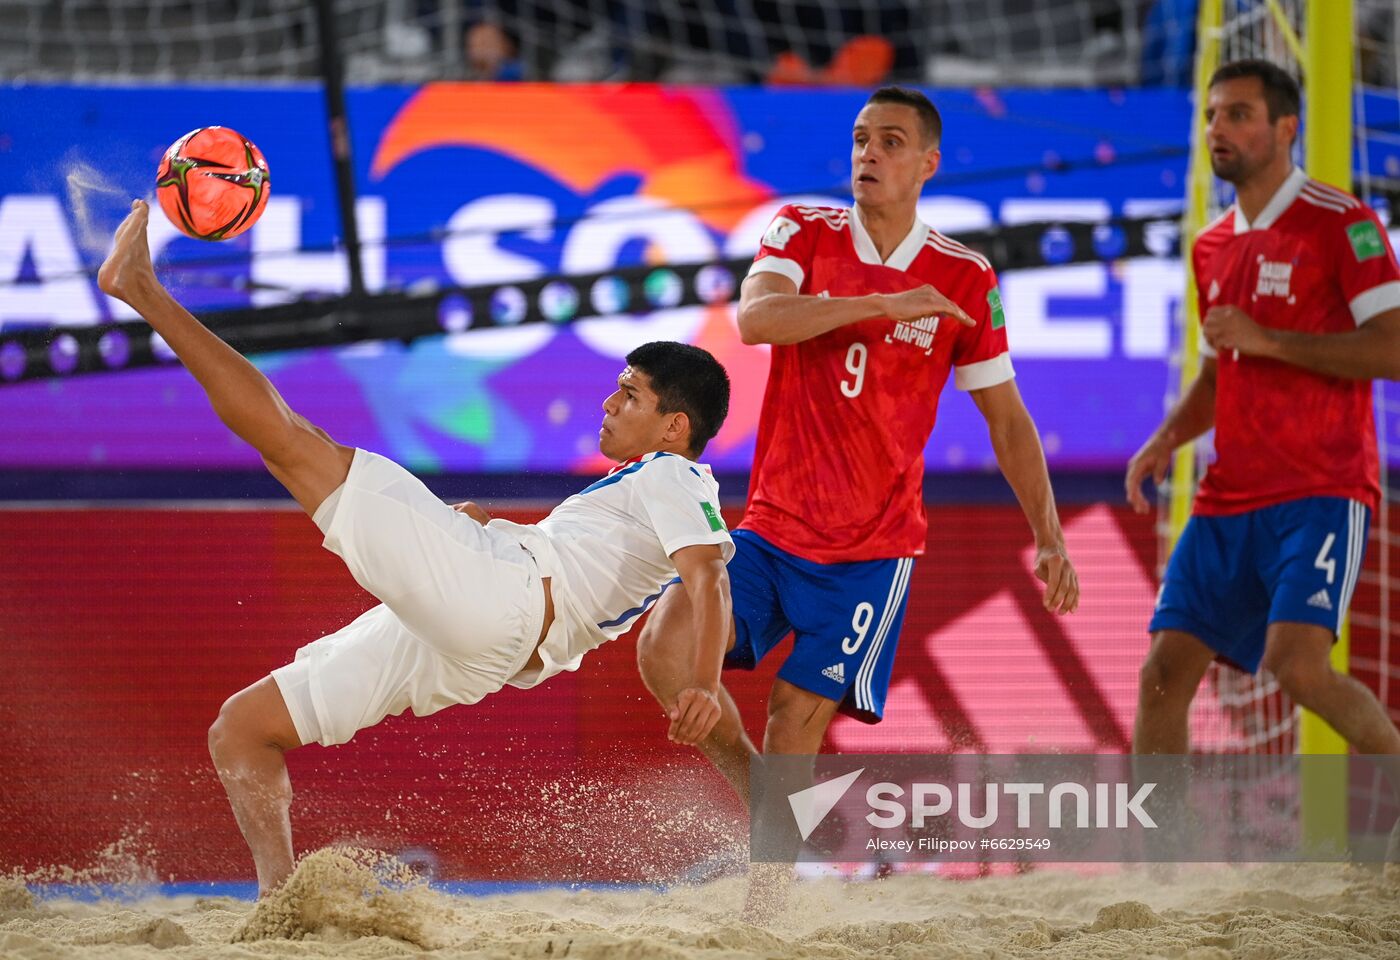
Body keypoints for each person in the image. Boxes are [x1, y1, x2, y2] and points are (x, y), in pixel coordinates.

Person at [96, 200, 735, 895]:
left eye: (629, 395)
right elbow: (593, 570)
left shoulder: (675, 474)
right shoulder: (640, 487)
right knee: (241, 730)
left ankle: (142, 290)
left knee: (291, 443)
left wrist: (703, 681)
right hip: (489, 636)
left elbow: (708, 580)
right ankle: (280, 902)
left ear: (675, 426)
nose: (609, 404)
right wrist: (486, 532)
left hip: (502, 602)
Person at [636, 86, 1080, 864]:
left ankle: (769, 906)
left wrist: (1049, 537)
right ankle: (760, 800)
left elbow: (1007, 420)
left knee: (793, 716)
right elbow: (757, 319)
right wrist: (881, 303)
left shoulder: (964, 277)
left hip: (871, 555)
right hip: (773, 527)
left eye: (891, 141)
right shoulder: (804, 228)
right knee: (661, 651)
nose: (869, 153)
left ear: (928, 163)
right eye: (861, 138)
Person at [1127, 59, 1400, 760]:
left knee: (1298, 666)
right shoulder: (1211, 245)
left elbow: (1393, 351)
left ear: (1287, 128)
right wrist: (1166, 438)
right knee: (1161, 675)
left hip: (1320, 489)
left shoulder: (1343, 224)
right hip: (1228, 500)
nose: (1219, 128)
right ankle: (1158, 869)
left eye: (1238, 114)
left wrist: (1270, 339)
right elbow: (1221, 374)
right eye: (1214, 114)